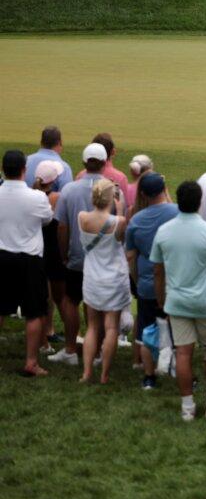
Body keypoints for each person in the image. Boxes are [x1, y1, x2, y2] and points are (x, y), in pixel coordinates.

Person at [151, 180, 206, 421]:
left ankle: (188, 406)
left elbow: (157, 271)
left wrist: (161, 299)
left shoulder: (164, 231)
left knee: (184, 352)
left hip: (177, 302)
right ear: (199, 203)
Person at [49, 142, 113, 367]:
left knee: (70, 300)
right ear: (104, 163)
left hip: (76, 256)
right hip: (102, 259)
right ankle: (95, 352)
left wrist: (64, 253)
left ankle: (70, 349)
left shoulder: (70, 189)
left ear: (84, 163)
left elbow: (62, 227)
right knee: (96, 303)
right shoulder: (112, 189)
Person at [0, 149, 54, 377]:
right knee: (34, 311)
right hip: (29, 259)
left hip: (3, 255)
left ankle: (31, 362)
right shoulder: (37, 197)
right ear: (24, 169)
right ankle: (31, 362)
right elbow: (47, 219)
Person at [123, 172, 178, 389]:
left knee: (147, 331)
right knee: (175, 328)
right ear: (164, 189)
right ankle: (173, 367)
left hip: (146, 281)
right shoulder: (175, 212)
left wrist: (137, 280)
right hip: (173, 282)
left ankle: (149, 376)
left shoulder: (136, 220)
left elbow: (130, 256)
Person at [77, 179, 129, 384]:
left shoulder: (82, 217)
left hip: (92, 277)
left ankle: (87, 372)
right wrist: (120, 208)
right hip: (113, 279)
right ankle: (104, 374)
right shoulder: (119, 221)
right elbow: (121, 239)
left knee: (91, 326)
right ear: (112, 198)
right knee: (111, 328)